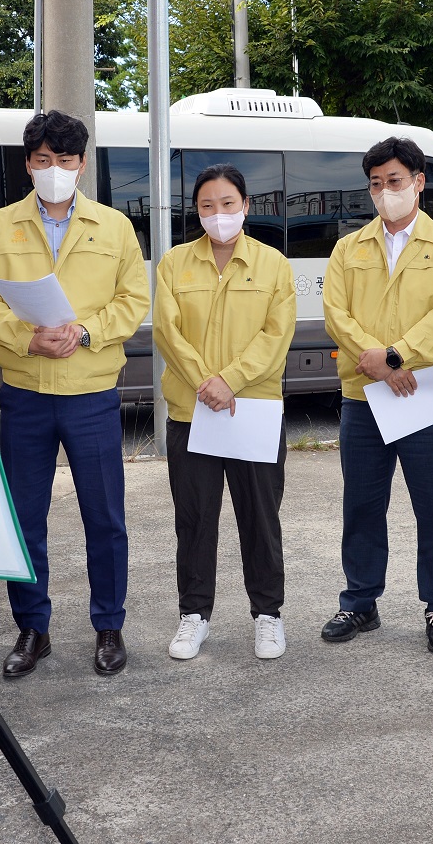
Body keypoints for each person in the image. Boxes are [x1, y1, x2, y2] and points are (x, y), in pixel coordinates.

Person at [0, 111, 149, 678]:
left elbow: (133, 298)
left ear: (82, 165)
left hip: (91, 391)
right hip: (24, 392)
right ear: (28, 164)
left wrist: (85, 330)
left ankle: (109, 625)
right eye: (43, 161)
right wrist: (27, 337)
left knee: (105, 517)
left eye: (65, 161)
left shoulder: (113, 226)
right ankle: (32, 629)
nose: (54, 170)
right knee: (26, 518)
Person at [319, 137, 433, 655]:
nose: (386, 191)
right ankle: (360, 600)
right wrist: (378, 362)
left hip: (423, 397)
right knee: (362, 505)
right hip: (363, 399)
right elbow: (336, 315)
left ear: (419, 183)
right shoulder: (349, 248)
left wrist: (396, 356)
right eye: (376, 183)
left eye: (395, 181)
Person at [153, 164, 297, 661]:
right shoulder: (173, 264)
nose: (219, 214)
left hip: (251, 410)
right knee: (194, 519)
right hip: (191, 411)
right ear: (197, 211)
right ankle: (194, 615)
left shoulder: (273, 264)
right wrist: (203, 383)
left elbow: (276, 336)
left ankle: (268, 615)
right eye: (207, 206)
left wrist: (229, 380)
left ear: (246, 205)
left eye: (228, 203)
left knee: (260, 516)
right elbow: (167, 333)